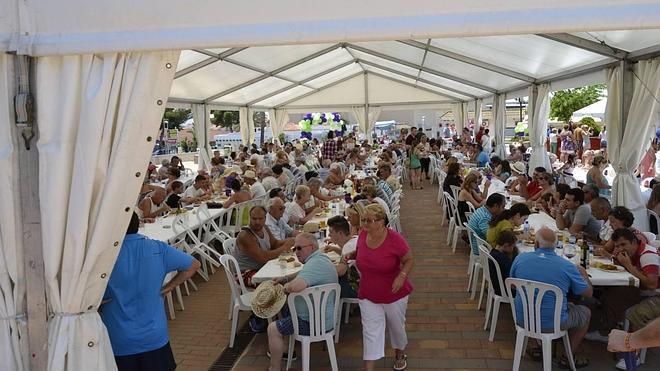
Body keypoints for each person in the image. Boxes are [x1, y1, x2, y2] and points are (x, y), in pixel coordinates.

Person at [101, 213, 201, 371]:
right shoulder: (157, 248)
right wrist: (167, 287)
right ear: (137, 225)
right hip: (154, 334)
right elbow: (194, 265)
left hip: (118, 336)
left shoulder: (104, 257)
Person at [510, 227, 593, 368]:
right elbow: (588, 293)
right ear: (555, 246)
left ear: (535, 244)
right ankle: (567, 357)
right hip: (554, 323)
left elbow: (512, 285)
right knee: (585, 312)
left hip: (522, 319)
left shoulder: (520, 258)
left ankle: (535, 345)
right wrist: (583, 274)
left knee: (531, 301)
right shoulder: (566, 266)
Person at [344, 203, 413, 371]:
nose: (364, 224)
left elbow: (409, 259)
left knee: (396, 327)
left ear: (381, 222)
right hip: (368, 293)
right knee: (370, 331)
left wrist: (401, 276)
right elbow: (360, 251)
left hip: (393, 293)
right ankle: (369, 368)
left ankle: (399, 353)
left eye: (369, 221)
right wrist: (351, 255)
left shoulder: (394, 239)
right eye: (363, 220)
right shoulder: (362, 235)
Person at [267, 233, 338, 371]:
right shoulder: (320, 259)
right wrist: (285, 278)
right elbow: (302, 273)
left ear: (311, 247)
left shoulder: (315, 264)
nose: (296, 252)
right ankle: (286, 349)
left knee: (272, 328)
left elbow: (296, 286)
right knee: (286, 309)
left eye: (299, 248)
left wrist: (285, 287)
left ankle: (273, 368)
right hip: (324, 319)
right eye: (294, 249)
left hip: (312, 324)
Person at [589, 228, 659, 345]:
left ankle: (632, 347)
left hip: (654, 295)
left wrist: (628, 265)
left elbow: (652, 285)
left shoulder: (648, 255)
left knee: (619, 295)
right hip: (642, 290)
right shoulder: (632, 252)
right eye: (617, 246)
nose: (620, 249)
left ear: (634, 242)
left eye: (623, 244)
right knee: (609, 292)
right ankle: (609, 327)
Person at [235, 206, 294, 287]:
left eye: (260, 218)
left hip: (263, 268)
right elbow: (263, 258)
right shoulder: (245, 235)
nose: (257, 222)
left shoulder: (264, 227)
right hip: (246, 274)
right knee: (278, 282)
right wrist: (285, 247)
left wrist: (291, 240)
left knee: (288, 275)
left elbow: (274, 244)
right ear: (250, 218)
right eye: (254, 219)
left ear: (265, 218)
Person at [324, 216, 359, 298]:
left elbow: (340, 271)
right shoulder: (355, 238)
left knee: (327, 283)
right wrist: (334, 248)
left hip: (357, 289)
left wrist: (322, 267)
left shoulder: (348, 247)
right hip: (365, 282)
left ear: (340, 233)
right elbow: (348, 257)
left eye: (331, 232)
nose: (329, 235)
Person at [489, 230, 517, 296]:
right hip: (504, 290)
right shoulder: (503, 259)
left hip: (496, 286)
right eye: (512, 246)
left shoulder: (492, 253)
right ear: (506, 245)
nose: (513, 249)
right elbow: (511, 280)